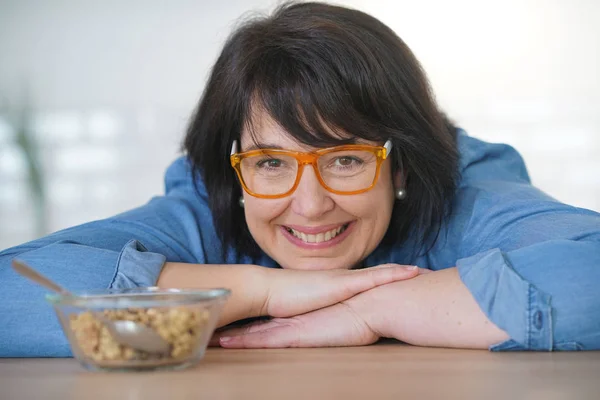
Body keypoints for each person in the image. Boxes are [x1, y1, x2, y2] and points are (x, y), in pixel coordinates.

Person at [1, 1, 599, 357]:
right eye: (270, 162)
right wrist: (260, 290)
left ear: (403, 166)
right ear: (236, 169)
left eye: (344, 159)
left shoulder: (468, 192)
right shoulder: (206, 201)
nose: (308, 206)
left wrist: (376, 310)